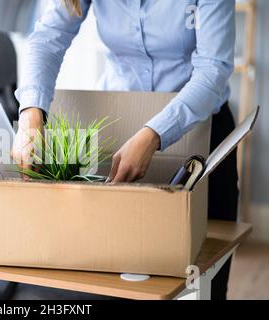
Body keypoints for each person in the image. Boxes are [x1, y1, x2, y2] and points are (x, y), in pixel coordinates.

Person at [12, 0, 238, 300]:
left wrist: (154, 134)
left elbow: (213, 70)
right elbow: (47, 39)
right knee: (121, 281)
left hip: (201, 134)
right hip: (124, 130)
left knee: (201, 283)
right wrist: (30, 112)